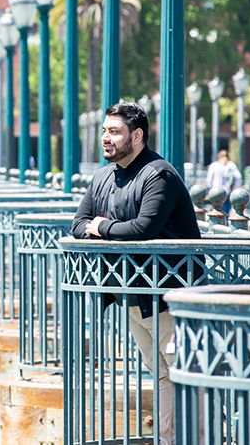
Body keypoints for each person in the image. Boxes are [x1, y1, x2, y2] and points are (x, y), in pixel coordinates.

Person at [72, 102, 201, 445]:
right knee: (160, 374)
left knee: (187, 373)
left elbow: (145, 228)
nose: (105, 138)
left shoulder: (159, 174)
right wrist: (102, 227)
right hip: (131, 294)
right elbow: (77, 225)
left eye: (114, 132)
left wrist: (101, 226)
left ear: (137, 135)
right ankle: (168, 439)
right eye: (104, 131)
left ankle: (203, 437)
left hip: (171, 295)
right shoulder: (102, 177)